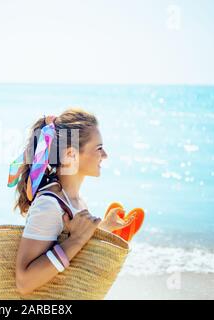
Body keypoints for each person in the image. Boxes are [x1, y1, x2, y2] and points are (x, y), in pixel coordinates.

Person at [11, 108, 132, 295]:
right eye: (99, 148)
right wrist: (77, 238)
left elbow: (71, 251)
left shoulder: (75, 201)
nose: (105, 155)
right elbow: (24, 282)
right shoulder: (49, 204)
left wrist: (104, 229)